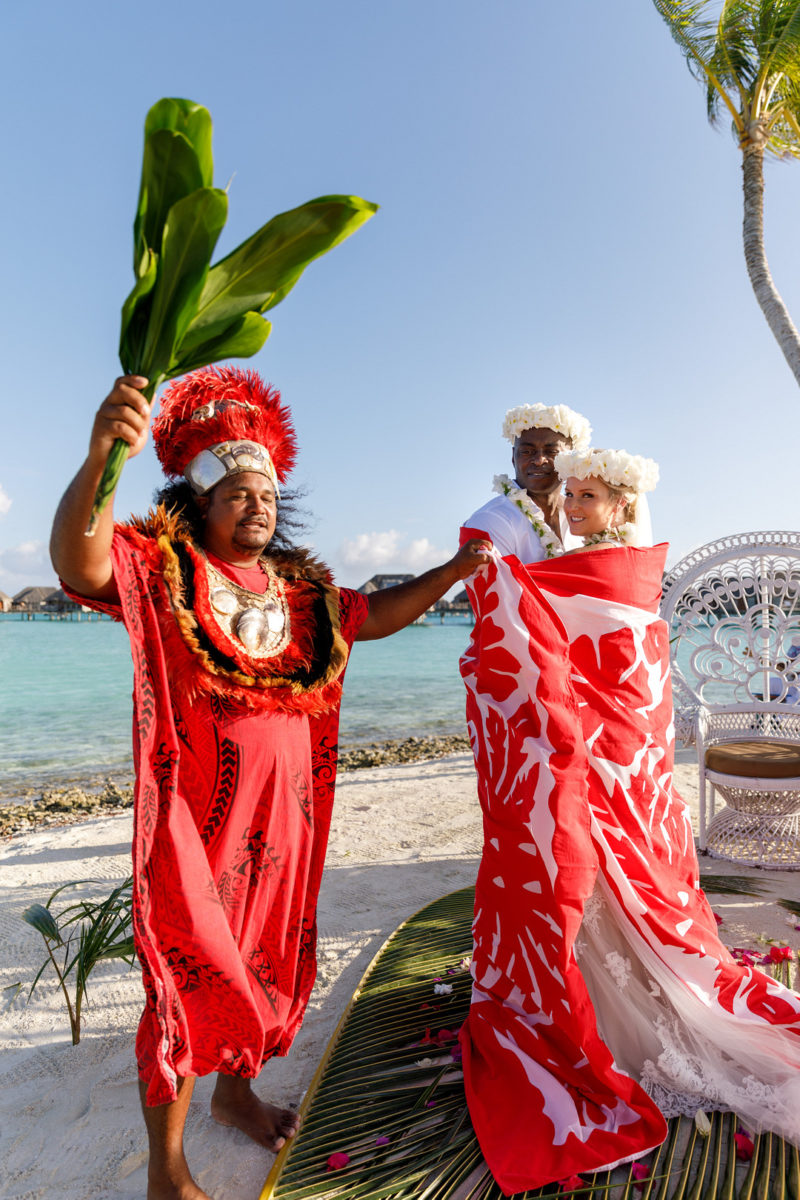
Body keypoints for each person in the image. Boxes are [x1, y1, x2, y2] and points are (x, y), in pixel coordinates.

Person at [50, 367, 490, 1200]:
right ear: (202, 506)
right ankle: (168, 1171)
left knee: (261, 963)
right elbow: (79, 562)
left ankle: (237, 1092)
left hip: (285, 823)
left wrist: (455, 570)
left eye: (267, 494)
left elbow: (377, 614)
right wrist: (102, 455)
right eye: (237, 494)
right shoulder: (164, 568)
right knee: (187, 981)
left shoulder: (307, 594)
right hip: (195, 825)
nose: (258, 504)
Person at [457, 446, 800, 1194]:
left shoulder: (611, 575)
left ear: (619, 505)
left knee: (603, 859)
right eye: (570, 494)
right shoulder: (589, 570)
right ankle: (594, 985)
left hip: (611, 756)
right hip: (598, 758)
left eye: (587, 495)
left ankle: (620, 1009)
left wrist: (503, 587)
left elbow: (616, 666)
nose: (572, 506)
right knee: (591, 863)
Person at [461, 402, 591, 561]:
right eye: (527, 452)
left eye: (552, 452)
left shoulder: (583, 514)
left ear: (571, 459)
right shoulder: (492, 519)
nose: (538, 460)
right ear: (513, 457)